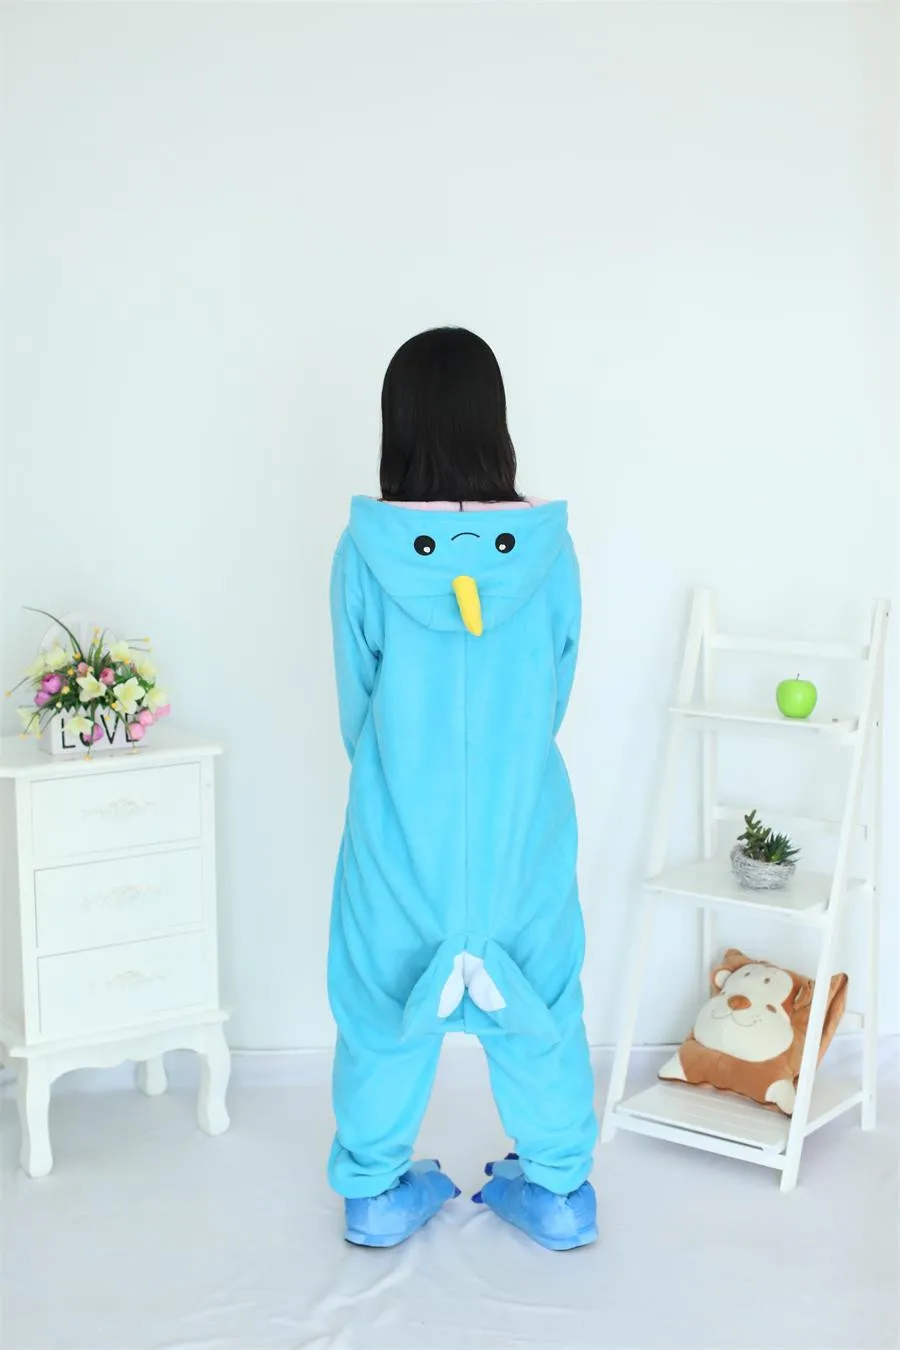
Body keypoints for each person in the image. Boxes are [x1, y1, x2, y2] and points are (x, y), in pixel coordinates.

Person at [328, 328, 597, 1251]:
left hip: (399, 831)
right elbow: (556, 685)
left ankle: (374, 1195)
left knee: (379, 1006)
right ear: (495, 418)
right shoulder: (550, 554)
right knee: (542, 1003)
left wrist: (402, 775)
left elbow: (357, 703)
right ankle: (559, 1194)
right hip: (524, 825)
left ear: (398, 422)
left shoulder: (363, 553)